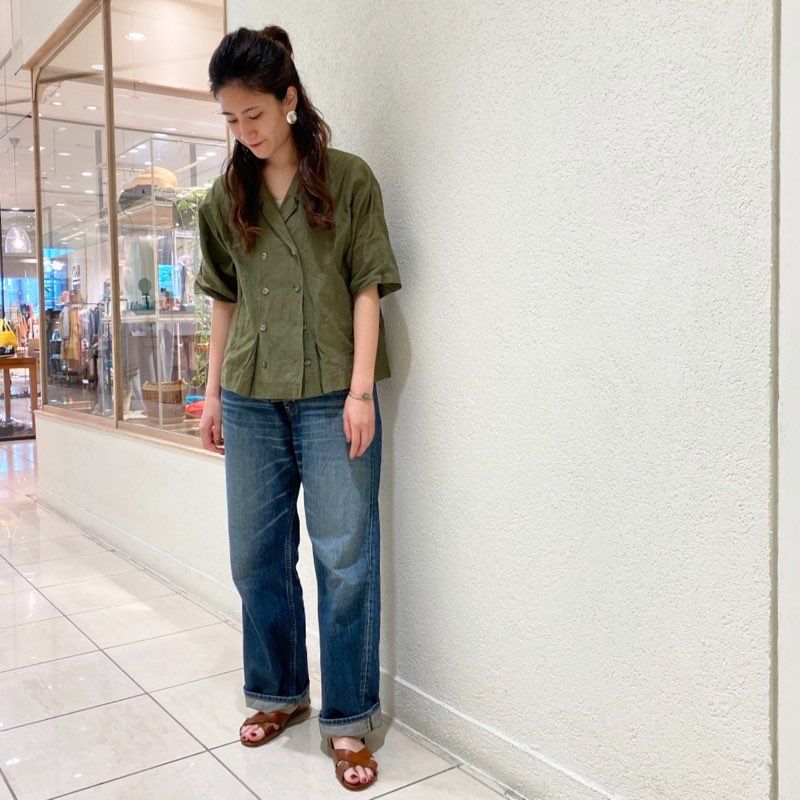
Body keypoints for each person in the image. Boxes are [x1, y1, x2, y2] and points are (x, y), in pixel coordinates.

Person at [196, 25, 402, 792]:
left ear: (288, 99)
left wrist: (359, 390)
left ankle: (348, 718)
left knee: (343, 559)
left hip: (331, 396)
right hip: (250, 396)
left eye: (253, 114)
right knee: (256, 557)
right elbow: (223, 299)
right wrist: (212, 394)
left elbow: (366, 286)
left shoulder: (348, 180)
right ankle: (279, 691)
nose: (244, 132)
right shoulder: (225, 197)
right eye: (231, 119)